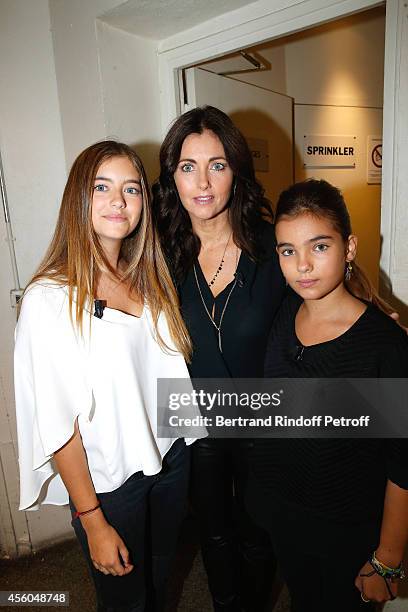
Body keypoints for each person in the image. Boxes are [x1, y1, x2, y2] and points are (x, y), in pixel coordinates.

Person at [14, 140, 195, 612]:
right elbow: (58, 425)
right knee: (123, 602)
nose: (118, 200)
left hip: (170, 462)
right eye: (102, 187)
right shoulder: (49, 299)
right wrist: (93, 520)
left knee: (158, 584)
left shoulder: (148, 277)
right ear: (79, 198)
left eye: (131, 189)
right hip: (111, 486)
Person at [247, 179, 408, 612]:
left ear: (349, 247)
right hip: (286, 515)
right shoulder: (283, 315)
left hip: (346, 529)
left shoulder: (384, 346)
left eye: (319, 246)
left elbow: (403, 465)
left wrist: (388, 559)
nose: (302, 265)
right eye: (287, 250)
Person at [153, 105, 287, 611]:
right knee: (213, 535)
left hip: (263, 424)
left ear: (237, 170)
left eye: (218, 164)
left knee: (258, 535)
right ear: (172, 177)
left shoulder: (272, 251)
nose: (203, 182)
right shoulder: (159, 256)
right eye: (188, 166)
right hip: (197, 428)